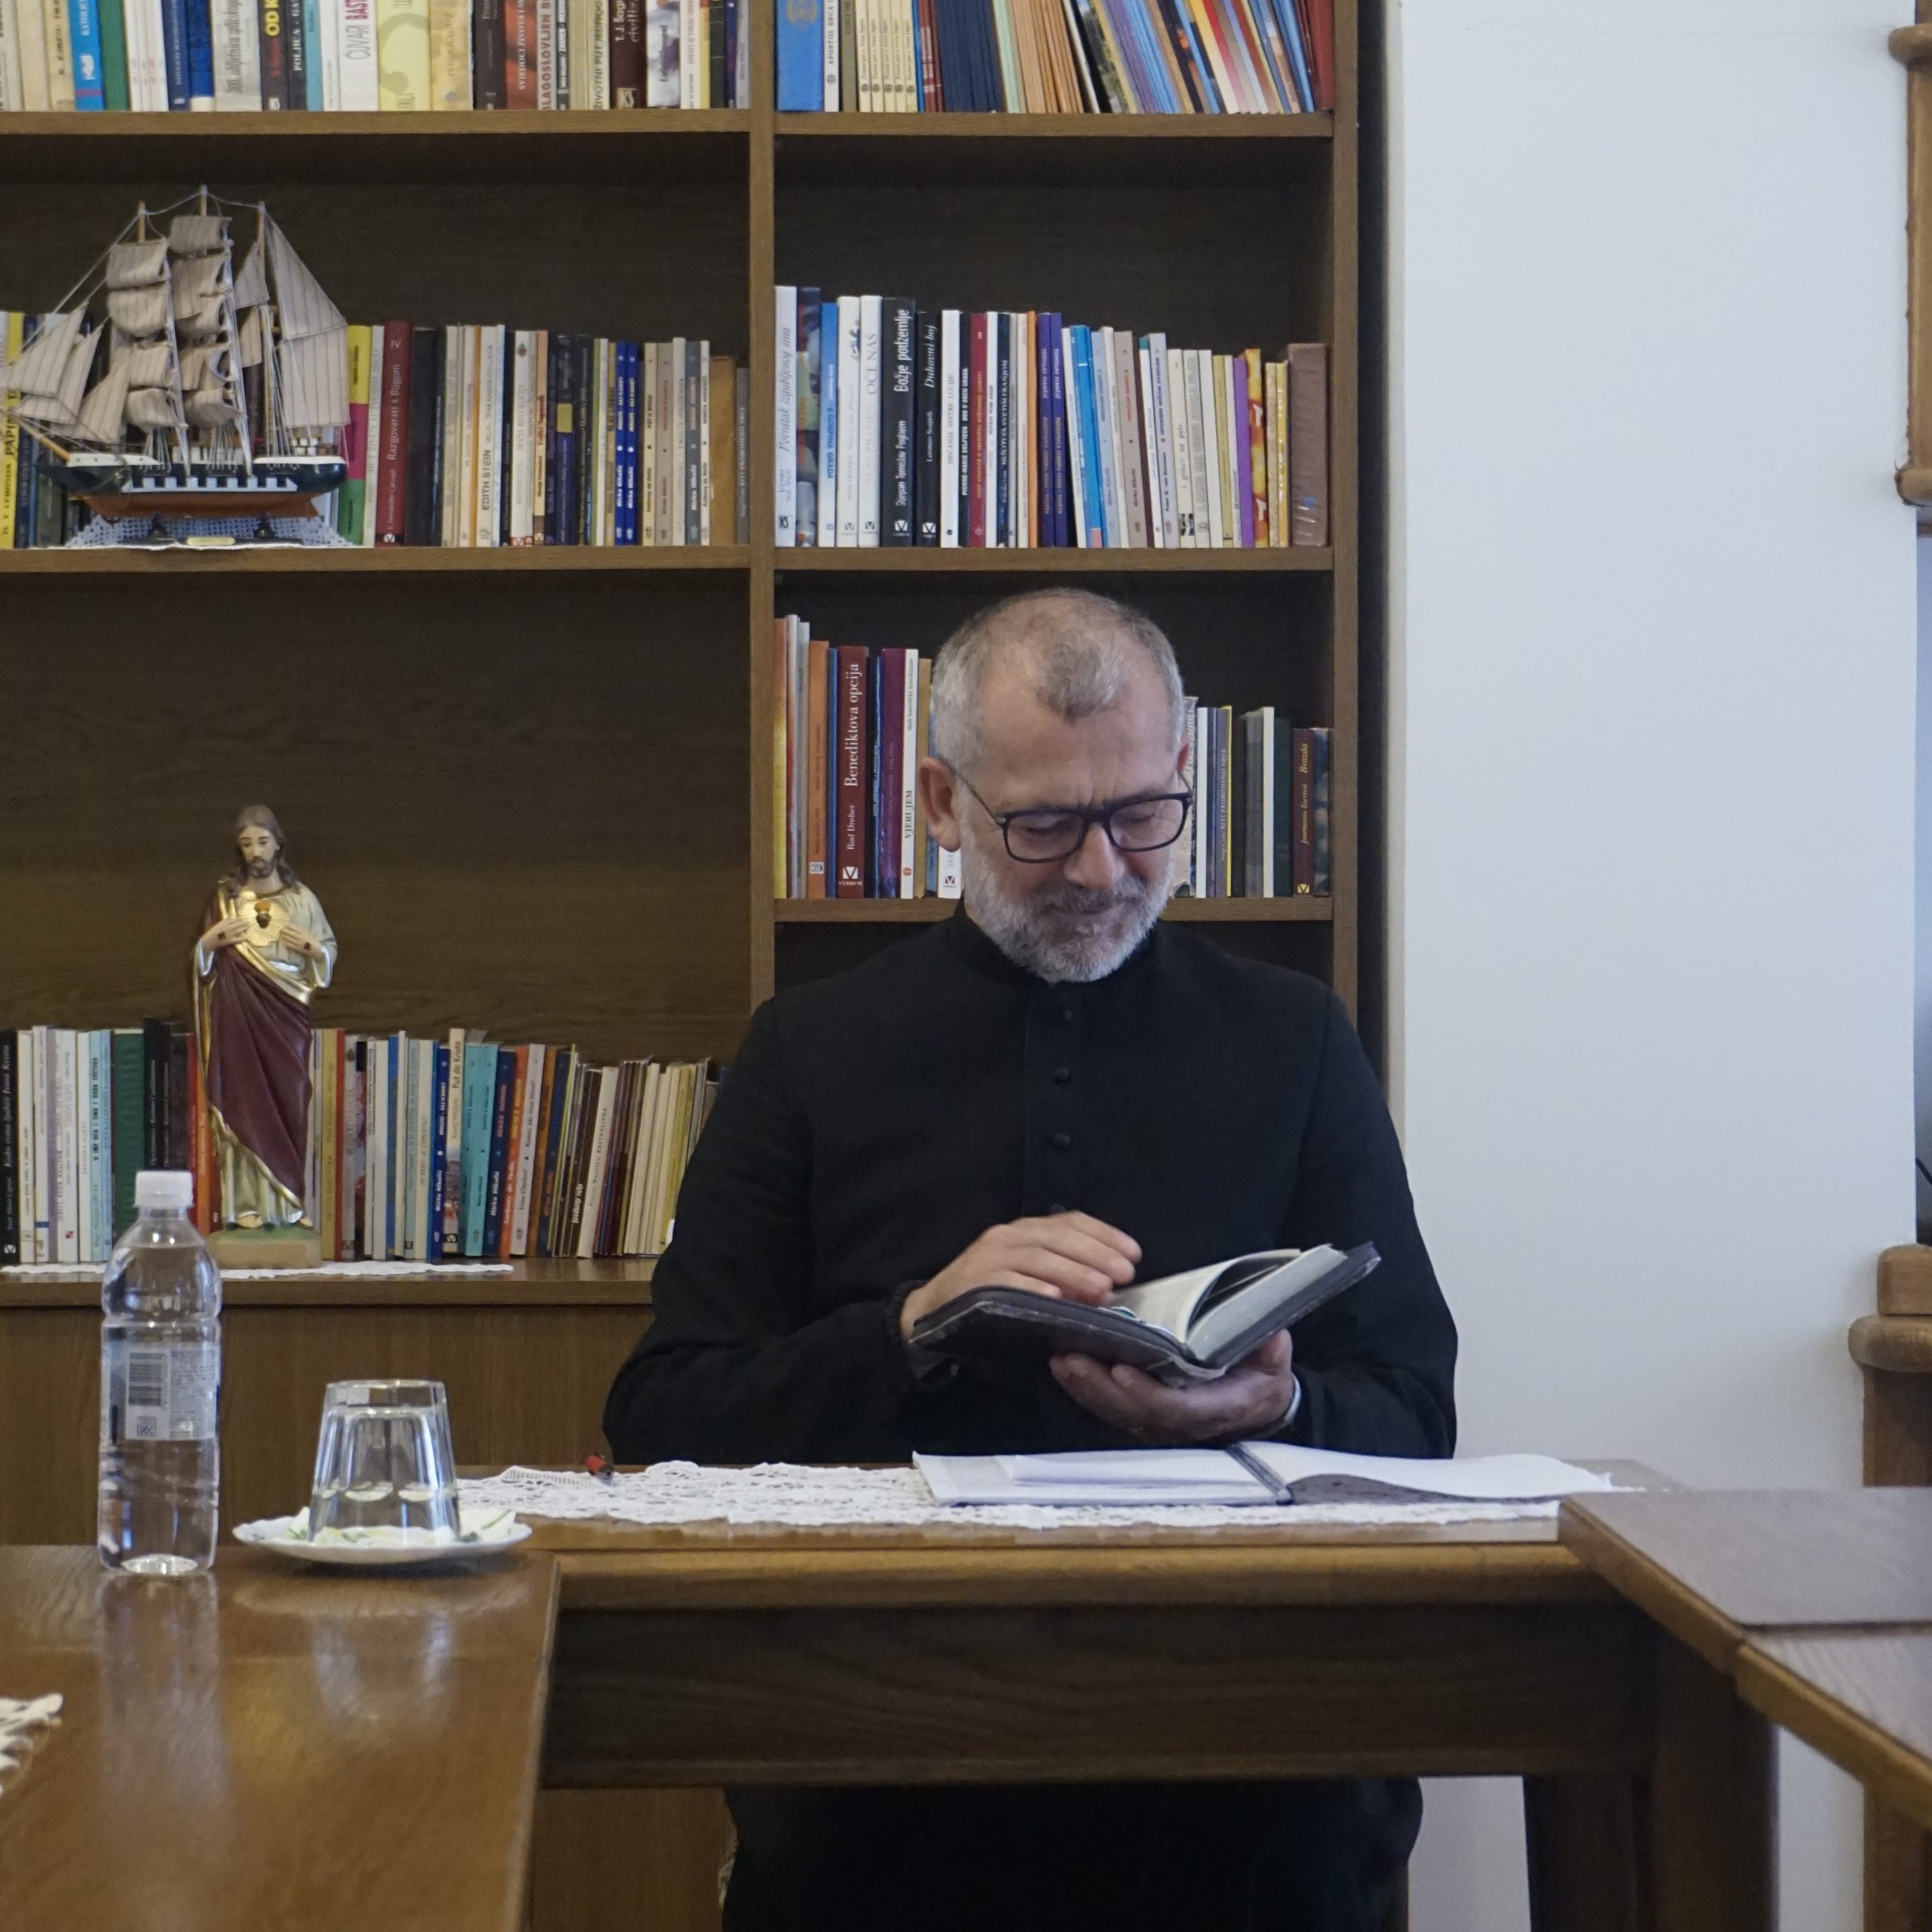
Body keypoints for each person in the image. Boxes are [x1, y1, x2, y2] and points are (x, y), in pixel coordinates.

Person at [605, 588, 1457, 1932]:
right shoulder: (809, 1052)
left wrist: (1275, 1405)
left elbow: (1416, 1409)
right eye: (1046, 826)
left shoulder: (1295, 1040)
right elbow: (664, 1414)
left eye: (1141, 815)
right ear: (943, 804)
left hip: (1238, 1739)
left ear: (1184, 775)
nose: (1103, 872)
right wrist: (915, 1326)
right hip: (891, 1751)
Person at [192, 804, 337, 1229]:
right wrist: (210, 942)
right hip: (237, 1015)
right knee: (242, 1101)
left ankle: (289, 1205)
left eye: (263, 841)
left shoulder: (303, 899)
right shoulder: (226, 900)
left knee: (292, 1097)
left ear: (278, 845)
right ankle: (244, 1206)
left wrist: (315, 949)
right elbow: (200, 969)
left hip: (287, 1014)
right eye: (247, 844)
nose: (256, 851)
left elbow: (326, 952)